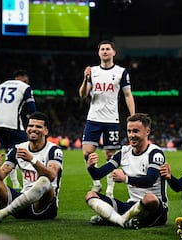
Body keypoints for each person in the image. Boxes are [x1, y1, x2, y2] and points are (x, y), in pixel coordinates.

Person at [0, 112, 63, 225]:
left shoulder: (54, 150)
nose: (33, 129)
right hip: (21, 204)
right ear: (26, 129)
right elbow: (0, 176)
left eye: (38, 126)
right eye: (30, 126)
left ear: (46, 131)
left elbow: (52, 175)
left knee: (44, 181)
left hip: (44, 207)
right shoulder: (18, 148)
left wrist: (32, 160)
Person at [85, 113, 168, 229]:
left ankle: (112, 218)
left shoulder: (155, 153)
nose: (131, 135)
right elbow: (98, 174)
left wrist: (125, 179)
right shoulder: (123, 152)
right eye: (129, 131)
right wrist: (90, 167)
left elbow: (150, 180)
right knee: (90, 195)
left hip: (155, 208)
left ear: (147, 132)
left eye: (135, 131)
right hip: (131, 206)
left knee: (150, 198)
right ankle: (121, 220)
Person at [79, 40, 135, 197]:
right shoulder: (93, 71)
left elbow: (127, 95)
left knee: (111, 156)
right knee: (86, 152)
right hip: (94, 118)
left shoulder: (121, 72)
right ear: (99, 53)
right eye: (102, 49)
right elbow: (83, 95)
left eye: (107, 49)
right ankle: (96, 183)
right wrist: (85, 79)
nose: (104, 51)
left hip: (112, 119)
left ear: (113, 52)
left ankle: (110, 188)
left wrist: (132, 117)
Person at [0, 69, 37, 189]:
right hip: (12, 123)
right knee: (24, 150)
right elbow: (32, 109)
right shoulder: (25, 87)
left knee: (9, 152)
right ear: (25, 79)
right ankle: (28, 184)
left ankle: (11, 182)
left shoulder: (1, 86)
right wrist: (30, 119)